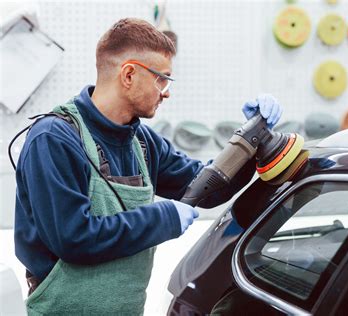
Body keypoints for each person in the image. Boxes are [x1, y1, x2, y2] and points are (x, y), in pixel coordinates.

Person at [14, 17, 282, 315]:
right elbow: (74, 238)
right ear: (128, 74)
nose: (166, 91)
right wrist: (162, 217)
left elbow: (207, 188)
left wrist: (250, 141)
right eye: (162, 78)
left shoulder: (142, 142)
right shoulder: (54, 139)